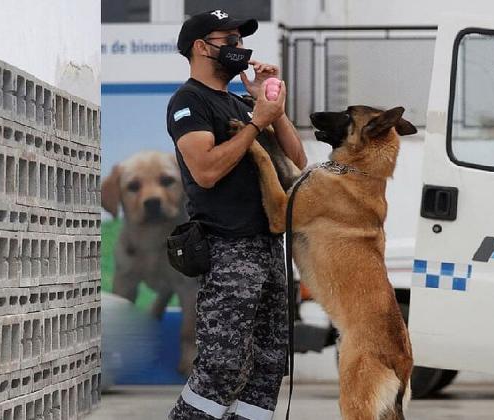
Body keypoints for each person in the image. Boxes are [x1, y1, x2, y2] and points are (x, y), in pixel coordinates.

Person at [166, 9, 307, 420]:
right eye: (229, 41)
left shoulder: (243, 103)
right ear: (201, 47)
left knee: (268, 368)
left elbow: (297, 165)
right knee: (221, 368)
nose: (240, 49)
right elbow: (206, 171)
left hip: (269, 249)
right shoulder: (188, 101)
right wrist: (254, 126)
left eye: (241, 41)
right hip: (229, 250)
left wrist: (272, 109)